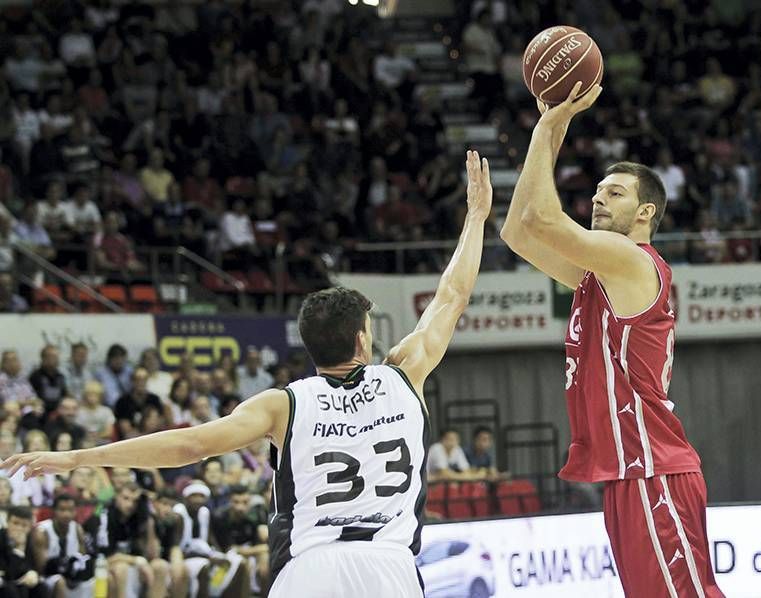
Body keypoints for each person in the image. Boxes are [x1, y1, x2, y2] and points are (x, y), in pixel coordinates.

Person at [2, 151, 494, 598]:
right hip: (391, 568)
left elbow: (189, 445)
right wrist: (475, 218)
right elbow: (452, 296)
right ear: (363, 341)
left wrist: (77, 458)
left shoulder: (284, 403)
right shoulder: (404, 375)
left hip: (312, 569)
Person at [499, 83, 723, 598]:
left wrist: (546, 126)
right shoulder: (594, 275)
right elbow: (517, 231)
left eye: (615, 193)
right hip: (629, 475)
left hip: (654, 470)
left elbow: (541, 218)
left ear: (645, 213)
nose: (598, 197)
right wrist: (550, 129)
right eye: (597, 190)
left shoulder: (633, 260)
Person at [82, 481, 169, 598]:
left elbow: (153, 555)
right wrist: (137, 561)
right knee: (121, 568)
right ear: (117, 497)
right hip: (97, 566)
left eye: (135, 501)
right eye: (126, 498)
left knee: (160, 565)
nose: (130, 504)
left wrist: (149, 520)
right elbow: (105, 558)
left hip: (130, 564)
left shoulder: (138, 517)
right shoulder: (103, 518)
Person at [33, 494, 94, 598]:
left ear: (75, 511)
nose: (66, 514)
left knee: (93, 580)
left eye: (70, 510)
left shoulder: (77, 528)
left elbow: (82, 560)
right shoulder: (42, 531)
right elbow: (41, 568)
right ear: (54, 511)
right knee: (60, 581)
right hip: (48, 578)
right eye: (62, 510)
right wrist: (63, 567)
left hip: (71, 575)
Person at [211, 484, 269, 595]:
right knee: (242, 563)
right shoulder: (219, 517)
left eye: (245, 502)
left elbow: (256, 544)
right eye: (236, 502)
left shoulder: (254, 515)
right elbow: (230, 549)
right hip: (221, 558)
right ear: (229, 501)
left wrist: (262, 549)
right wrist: (263, 548)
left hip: (249, 554)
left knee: (265, 559)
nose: (240, 507)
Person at [0, 505, 47, 598]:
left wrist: (32, 573)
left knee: (40, 587)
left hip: (20, 581)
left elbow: (34, 565)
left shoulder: (31, 539)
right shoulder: (1, 538)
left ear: (30, 527)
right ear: (7, 522)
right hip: (5, 583)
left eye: (24, 525)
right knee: (11, 590)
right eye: (15, 523)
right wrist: (18, 549)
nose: (19, 528)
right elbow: (9, 574)